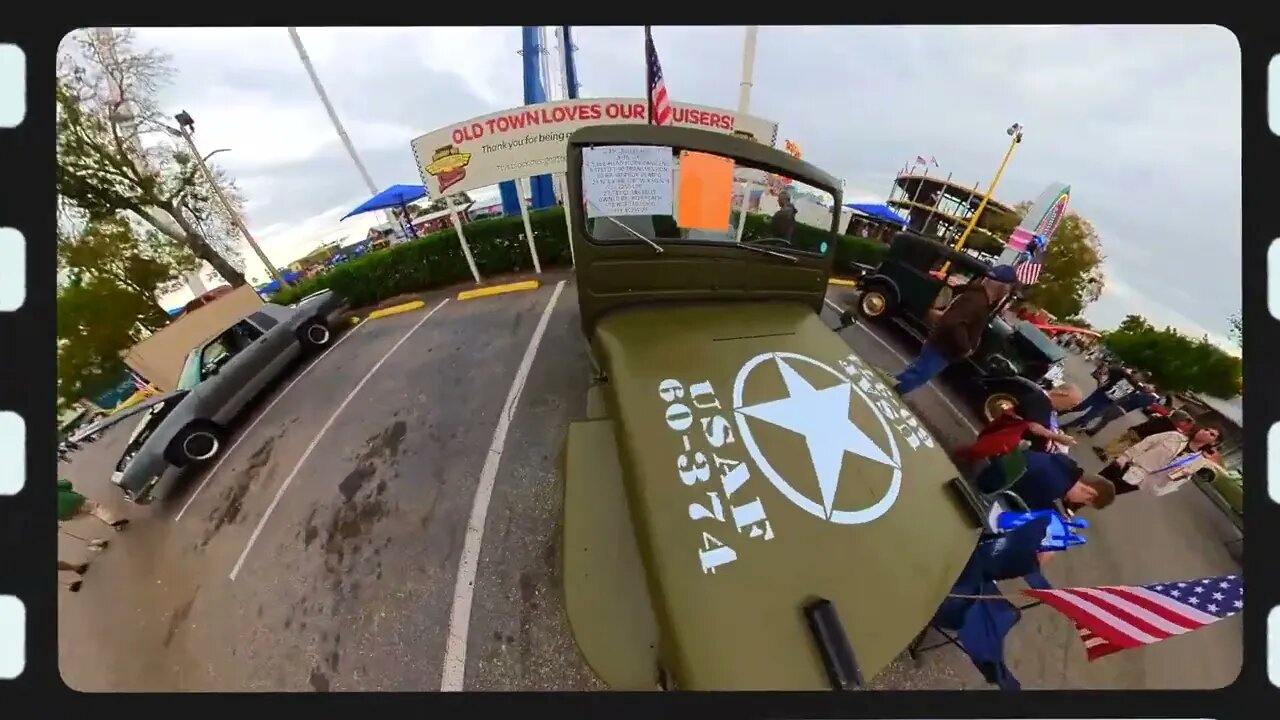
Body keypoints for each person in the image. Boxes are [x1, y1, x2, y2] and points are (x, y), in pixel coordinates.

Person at [893, 265, 1017, 396]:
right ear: (1002, 287)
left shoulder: (979, 299)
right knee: (919, 375)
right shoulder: (978, 301)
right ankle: (892, 391)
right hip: (943, 347)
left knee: (917, 371)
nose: (1007, 292)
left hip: (942, 346)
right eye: (1008, 288)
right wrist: (966, 347)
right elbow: (954, 323)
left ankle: (892, 384)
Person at [975, 450, 1116, 513]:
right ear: (1089, 492)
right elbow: (1026, 508)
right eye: (1084, 502)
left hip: (995, 473)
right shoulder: (1056, 487)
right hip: (990, 487)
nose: (1077, 503)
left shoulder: (1062, 466)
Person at [1098, 424, 1220, 496]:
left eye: (1212, 434)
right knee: (1093, 482)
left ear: (1214, 442)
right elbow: (1147, 443)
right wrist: (1125, 457)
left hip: (1141, 480)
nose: (1206, 433)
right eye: (1206, 429)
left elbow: (1176, 479)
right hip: (1128, 465)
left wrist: (1183, 476)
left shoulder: (1198, 460)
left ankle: (1079, 507)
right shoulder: (1175, 436)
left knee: (1105, 495)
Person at [1011, 383, 1082, 453]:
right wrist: (1057, 437)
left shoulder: (1048, 407)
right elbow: (1033, 427)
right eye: (1072, 404)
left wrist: (1057, 433)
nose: (1070, 408)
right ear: (1062, 394)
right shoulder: (1040, 402)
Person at [1100, 408, 1194, 459]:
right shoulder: (1170, 428)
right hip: (1141, 436)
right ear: (1178, 420)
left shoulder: (1161, 419)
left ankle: (1105, 451)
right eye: (1185, 422)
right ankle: (1107, 454)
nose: (1185, 424)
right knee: (1123, 445)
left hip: (1137, 430)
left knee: (1120, 440)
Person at [1076, 382, 1162, 437]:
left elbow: (1139, 403)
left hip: (1122, 409)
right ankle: (1091, 429)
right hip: (1118, 404)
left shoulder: (1148, 398)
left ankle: (1088, 427)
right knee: (1103, 417)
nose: (1148, 387)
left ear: (1153, 391)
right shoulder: (1140, 391)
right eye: (1149, 386)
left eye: (1151, 387)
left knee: (1103, 417)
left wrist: (1139, 394)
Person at [58, 478, 128, 529]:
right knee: (96, 508)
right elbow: (68, 484)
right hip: (73, 501)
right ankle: (113, 522)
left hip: (66, 514)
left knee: (89, 514)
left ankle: (111, 524)